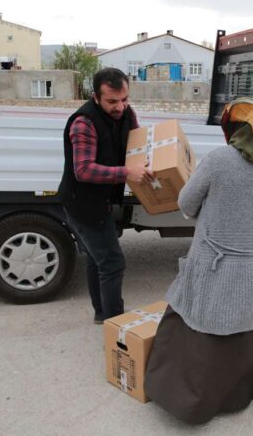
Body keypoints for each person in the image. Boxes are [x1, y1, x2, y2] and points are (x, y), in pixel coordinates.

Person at [144, 97, 253, 425]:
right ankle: (247, 391)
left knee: (200, 325)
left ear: (230, 127)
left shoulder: (217, 161)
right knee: (252, 325)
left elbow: (186, 203)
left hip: (217, 266)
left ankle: (194, 402)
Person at [58, 68, 153, 323]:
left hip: (102, 201)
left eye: (124, 99)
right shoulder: (84, 123)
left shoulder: (127, 113)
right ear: (96, 97)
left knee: (96, 258)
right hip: (83, 205)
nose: (120, 107)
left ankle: (102, 314)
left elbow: (136, 145)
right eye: (112, 101)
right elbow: (83, 170)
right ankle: (116, 323)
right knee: (112, 262)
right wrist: (128, 172)